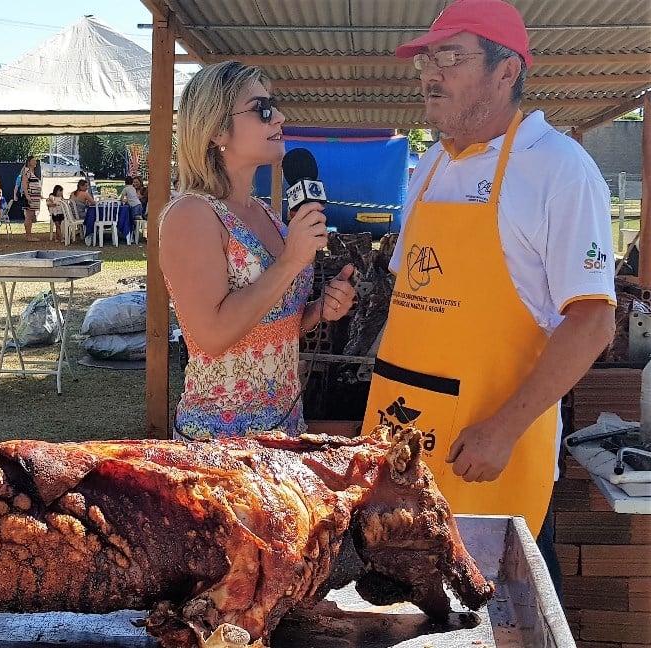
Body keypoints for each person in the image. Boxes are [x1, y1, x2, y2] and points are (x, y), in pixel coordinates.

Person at [361, 0, 617, 597]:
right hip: (404, 450)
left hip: (490, 460)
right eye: (427, 57)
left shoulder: (558, 169)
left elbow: (593, 321)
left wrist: (503, 429)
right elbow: (414, 301)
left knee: (496, 611)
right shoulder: (427, 166)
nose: (431, 71)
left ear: (507, 71)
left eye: (451, 56)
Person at [159, 60, 356, 440]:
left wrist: (319, 310)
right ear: (216, 129)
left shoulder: (265, 212)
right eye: (262, 109)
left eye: (274, 106)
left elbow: (271, 327)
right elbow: (212, 336)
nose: (279, 116)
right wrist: (290, 262)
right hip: (220, 447)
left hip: (285, 430)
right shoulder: (191, 214)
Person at [18, 155, 41, 242]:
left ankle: (29, 235)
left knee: (30, 216)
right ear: (29, 162)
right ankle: (29, 236)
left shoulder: (31, 171)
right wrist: (27, 196)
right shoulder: (26, 171)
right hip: (30, 197)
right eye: (34, 160)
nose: (35, 162)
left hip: (34, 197)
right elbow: (24, 182)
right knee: (29, 216)